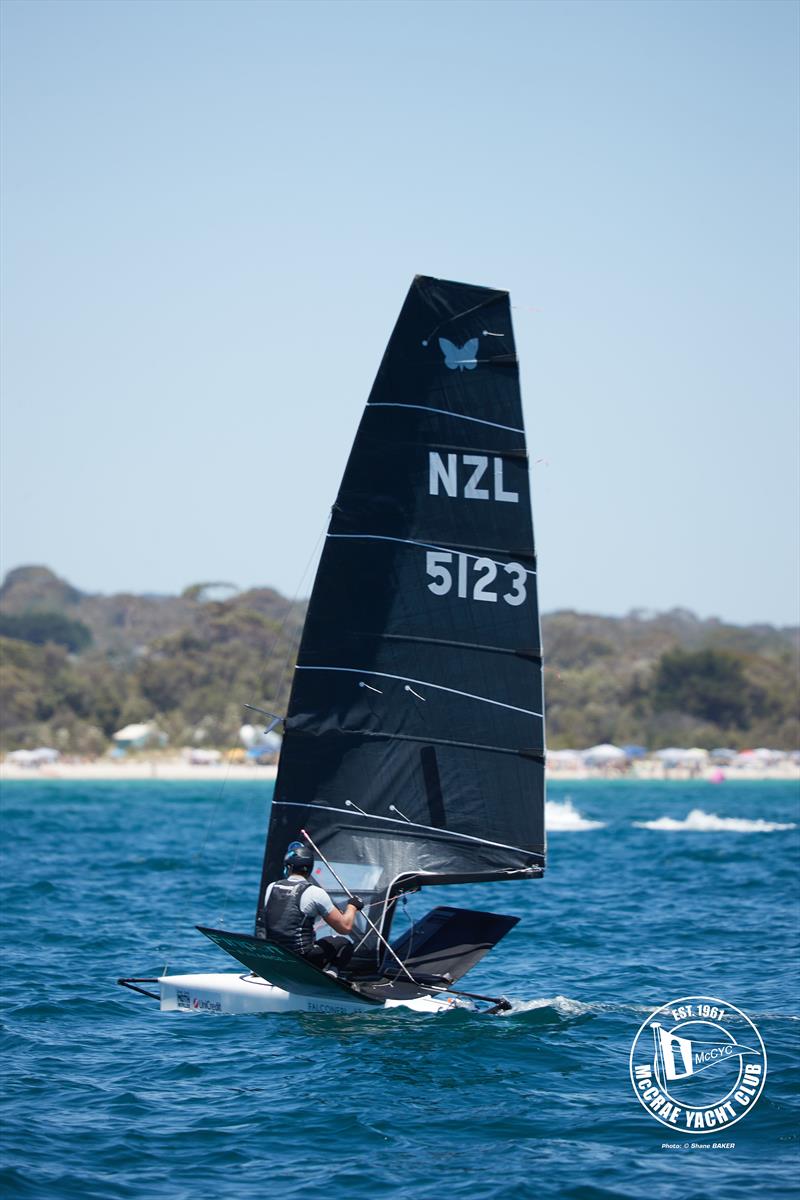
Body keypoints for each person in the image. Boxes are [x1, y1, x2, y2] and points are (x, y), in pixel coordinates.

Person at [261, 840, 364, 975]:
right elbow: (345, 927)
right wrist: (352, 906)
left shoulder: (271, 887)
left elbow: (285, 918)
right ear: (309, 869)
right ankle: (331, 975)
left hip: (276, 955)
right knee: (344, 943)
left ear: (288, 867)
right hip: (302, 959)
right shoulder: (316, 893)